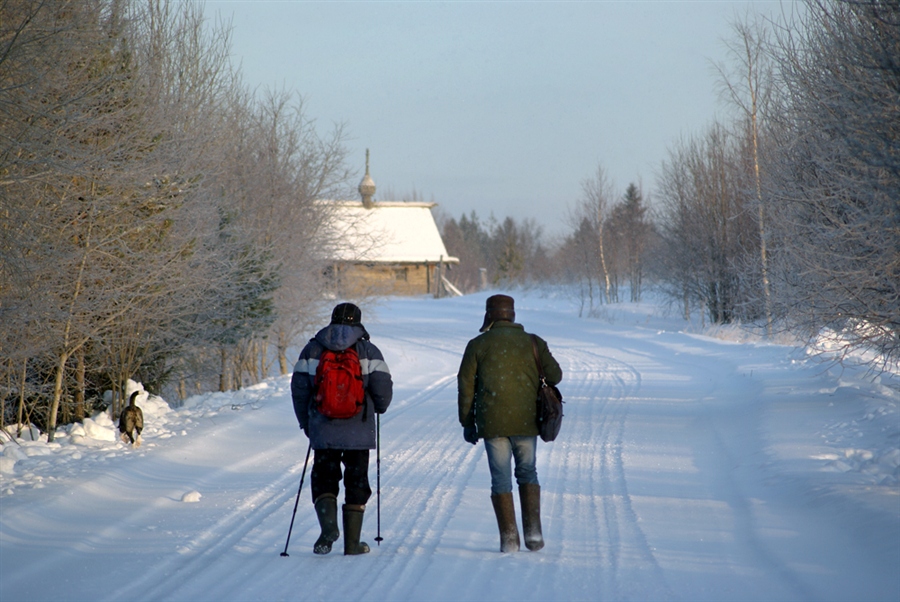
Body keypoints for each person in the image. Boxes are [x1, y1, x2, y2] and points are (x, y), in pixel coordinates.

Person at [457, 294, 563, 553]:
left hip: (493, 424)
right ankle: (534, 533)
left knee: (500, 479)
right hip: (527, 421)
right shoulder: (533, 342)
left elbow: (466, 386)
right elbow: (556, 376)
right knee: (528, 472)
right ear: (512, 314)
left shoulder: (477, 345)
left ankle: (509, 540)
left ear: (489, 315)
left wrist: (467, 422)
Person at [291, 302, 393, 555]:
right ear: (358, 322)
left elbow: (299, 389)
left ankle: (328, 528)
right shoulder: (368, 350)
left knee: (324, 478)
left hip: (323, 428)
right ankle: (352, 543)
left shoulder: (313, 348)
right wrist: (379, 407)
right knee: (357, 481)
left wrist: (307, 422)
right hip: (358, 429)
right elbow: (382, 388)